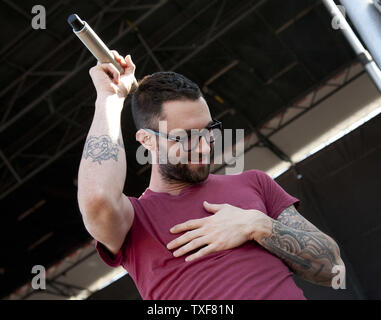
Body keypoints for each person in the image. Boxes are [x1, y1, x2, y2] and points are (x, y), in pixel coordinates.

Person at [77, 50, 345, 300]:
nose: (205, 146)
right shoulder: (134, 220)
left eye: (208, 131)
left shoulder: (253, 183)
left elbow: (333, 269)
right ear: (147, 140)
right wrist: (110, 99)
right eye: (188, 137)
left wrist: (258, 225)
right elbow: (98, 198)